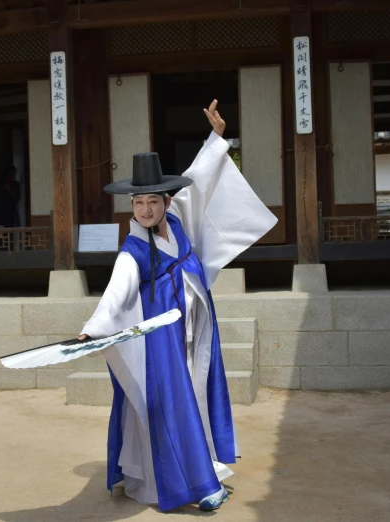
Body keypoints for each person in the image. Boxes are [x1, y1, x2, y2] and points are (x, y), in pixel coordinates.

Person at [78, 100, 277, 512]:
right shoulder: (131, 252)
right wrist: (92, 329)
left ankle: (207, 465)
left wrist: (218, 138)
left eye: (152, 201)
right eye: (138, 204)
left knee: (200, 394)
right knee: (175, 406)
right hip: (161, 342)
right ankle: (198, 485)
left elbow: (199, 179)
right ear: (131, 207)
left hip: (195, 328)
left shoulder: (179, 217)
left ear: (166, 201)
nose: (146, 209)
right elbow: (114, 296)